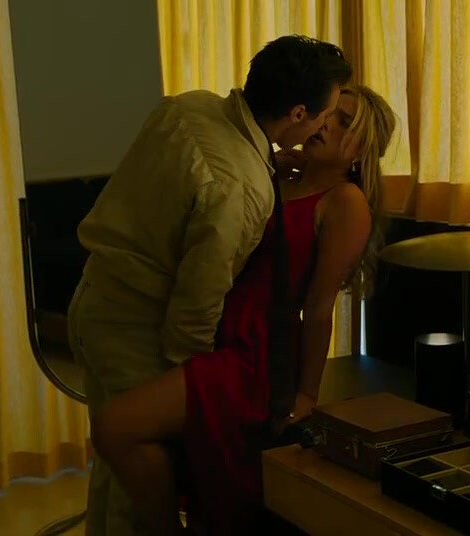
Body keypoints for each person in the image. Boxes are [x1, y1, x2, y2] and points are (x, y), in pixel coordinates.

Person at [67, 35, 352, 536]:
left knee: (116, 470)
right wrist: (197, 388)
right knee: (137, 486)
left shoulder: (188, 107)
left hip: (94, 298)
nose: (325, 124)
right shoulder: (239, 189)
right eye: (327, 113)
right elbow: (195, 310)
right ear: (298, 113)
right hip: (138, 326)